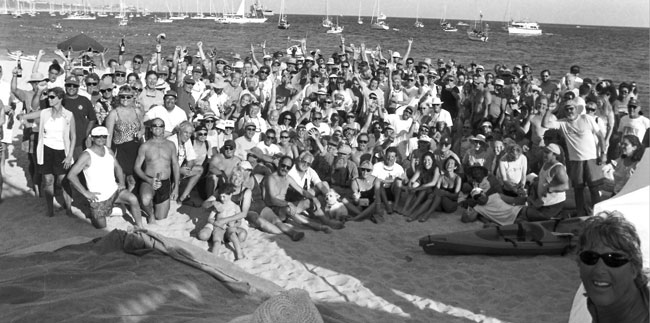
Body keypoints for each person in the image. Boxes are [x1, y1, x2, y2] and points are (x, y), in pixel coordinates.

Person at [575, 212, 649, 323]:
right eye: (590, 257)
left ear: (634, 269)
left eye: (614, 259)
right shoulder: (593, 303)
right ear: (579, 263)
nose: (599, 270)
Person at [67, 126, 144, 229]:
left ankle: (141, 227)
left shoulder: (108, 150)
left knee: (133, 199)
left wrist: (121, 183)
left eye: (104, 136)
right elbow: (71, 175)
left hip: (114, 191)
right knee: (101, 227)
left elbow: (118, 167)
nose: (101, 139)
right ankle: (108, 210)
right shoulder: (86, 155)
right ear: (92, 138)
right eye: (98, 137)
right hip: (98, 197)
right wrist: (85, 193)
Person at [17, 87, 76, 217]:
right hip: (46, 150)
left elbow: (73, 136)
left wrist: (70, 155)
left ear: (60, 98)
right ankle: (50, 210)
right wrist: (23, 120)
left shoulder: (68, 115)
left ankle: (69, 208)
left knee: (64, 180)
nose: (48, 99)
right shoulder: (44, 113)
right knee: (48, 180)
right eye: (48, 96)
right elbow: (25, 116)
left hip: (62, 151)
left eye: (52, 97)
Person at [543, 102, 606, 217]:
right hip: (575, 161)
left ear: (576, 109)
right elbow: (545, 124)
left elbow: (600, 136)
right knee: (578, 189)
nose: (569, 111)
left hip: (591, 159)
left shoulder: (587, 118)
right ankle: (580, 214)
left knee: (594, 188)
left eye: (571, 108)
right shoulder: (562, 123)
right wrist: (549, 109)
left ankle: (599, 214)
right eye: (566, 109)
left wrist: (603, 153)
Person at [264, 156, 335, 233]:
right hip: (274, 210)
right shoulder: (271, 178)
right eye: (283, 165)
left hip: (285, 206)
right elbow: (272, 200)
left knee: (309, 202)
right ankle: (318, 227)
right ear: (279, 164)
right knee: (289, 209)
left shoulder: (287, 178)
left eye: (288, 167)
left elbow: (302, 191)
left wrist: (314, 198)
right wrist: (288, 203)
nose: (285, 169)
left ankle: (326, 221)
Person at [133, 117, 180, 223]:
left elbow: (175, 165)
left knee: (161, 217)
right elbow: (136, 167)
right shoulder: (145, 146)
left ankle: (154, 205)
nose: (157, 128)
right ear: (150, 128)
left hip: (164, 181)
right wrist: (149, 180)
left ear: (164, 128)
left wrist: (176, 186)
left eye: (160, 126)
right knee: (145, 199)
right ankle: (150, 214)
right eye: (155, 126)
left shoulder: (171, 145)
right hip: (149, 179)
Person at [105, 85, 144, 192]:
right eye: (122, 97)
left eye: (128, 97)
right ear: (118, 97)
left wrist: (141, 132)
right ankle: (120, 202)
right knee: (120, 179)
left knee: (132, 179)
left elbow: (143, 127)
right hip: (120, 149)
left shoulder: (137, 111)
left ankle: (130, 201)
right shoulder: (114, 113)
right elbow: (108, 135)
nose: (125, 99)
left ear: (133, 98)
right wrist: (109, 153)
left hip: (135, 149)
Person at [519, 143, 570, 222]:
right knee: (524, 212)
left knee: (527, 214)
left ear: (554, 155)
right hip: (543, 202)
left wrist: (551, 189)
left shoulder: (558, 168)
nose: (544, 154)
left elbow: (566, 186)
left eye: (547, 152)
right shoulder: (546, 163)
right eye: (544, 152)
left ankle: (560, 216)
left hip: (554, 204)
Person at [198, 183, 247, 260]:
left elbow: (239, 221)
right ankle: (213, 258)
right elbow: (210, 218)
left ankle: (239, 254)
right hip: (218, 228)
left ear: (230, 195)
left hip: (230, 228)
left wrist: (234, 225)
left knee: (233, 236)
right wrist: (216, 223)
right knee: (216, 242)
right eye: (220, 196)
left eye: (224, 196)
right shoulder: (218, 206)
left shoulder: (235, 207)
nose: (222, 198)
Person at [408, 156, 461, 222]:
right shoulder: (442, 177)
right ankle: (415, 215)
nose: (449, 165)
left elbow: (455, 196)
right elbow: (436, 190)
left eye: (452, 163)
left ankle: (426, 215)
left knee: (439, 195)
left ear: (455, 167)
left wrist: (446, 193)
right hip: (440, 204)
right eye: (448, 163)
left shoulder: (458, 178)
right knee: (432, 196)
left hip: (450, 205)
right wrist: (434, 194)